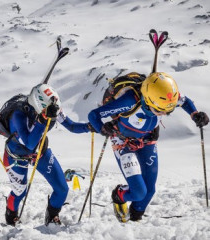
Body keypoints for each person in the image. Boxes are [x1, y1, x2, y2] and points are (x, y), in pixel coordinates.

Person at [88, 72, 209, 222]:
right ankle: (119, 195)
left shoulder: (167, 96)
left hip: (147, 140)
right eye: (160, 111)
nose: (164, 113)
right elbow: (93, 115)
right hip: (123, 142)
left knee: (150, 190)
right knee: (139, 192)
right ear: (149, 101)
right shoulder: (128, 102)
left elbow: (184, 101)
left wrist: (195, 114)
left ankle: (134, 220)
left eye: (168, 112)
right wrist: (102, 128)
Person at [0, 83, 94, 226]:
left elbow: (71, 125)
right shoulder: (18, 116)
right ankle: (11, 216)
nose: (53, 115)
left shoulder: (52, 109)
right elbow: (29, 143)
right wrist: (42, 121)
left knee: (62, 188)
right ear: (39, 107)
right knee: (20, 191)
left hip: (40, 152)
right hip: (16, 156)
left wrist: (90, 126)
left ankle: (52, 216)